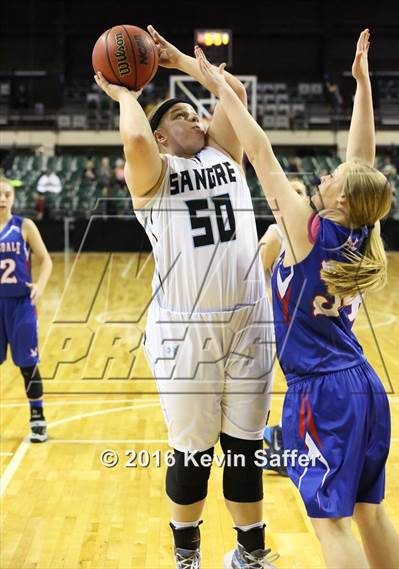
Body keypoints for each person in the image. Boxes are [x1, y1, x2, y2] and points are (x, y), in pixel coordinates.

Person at [196, 27, 399, 569]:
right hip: (363, 385)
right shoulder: (360, 230)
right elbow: (364, 160)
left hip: (322, 393)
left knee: (329, 524)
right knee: (370, 513)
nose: (328, 173)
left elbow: (260, 154)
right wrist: (362, 86)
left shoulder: (306, 232)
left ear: (339, 198)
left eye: (333, 176)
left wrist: (225, 95)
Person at [94, 25, 278, 569]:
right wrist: (128, 95)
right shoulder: (154, 175)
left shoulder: (226, 153)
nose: (195, 118)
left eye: (194, 113)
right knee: (194, 450)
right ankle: (187, 554)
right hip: (185, 329)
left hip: (249, 318)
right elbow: (133, 142)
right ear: (162, 136)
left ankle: (250, 553)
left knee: (245, 446)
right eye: (180, 116)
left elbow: (234, 96)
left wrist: (179, 62)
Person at [259, 180, 309, 477]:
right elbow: (253, 276)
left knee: (301, 389)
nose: (296, 198)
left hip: (300, 323)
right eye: (291, 192)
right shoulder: (275, 234)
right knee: (296, 386)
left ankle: (282, 437)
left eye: (300, 192)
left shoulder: (309, 235)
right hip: (278, 323)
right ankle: (282, 440)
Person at [0, 178, 53, 442]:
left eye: (6, 194)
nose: (2, 198)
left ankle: (37, 419)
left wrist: (40, 286)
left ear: (13, 197)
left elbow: (45, 260)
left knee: (28, 365)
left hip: (20, 304)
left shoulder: (24, 225)